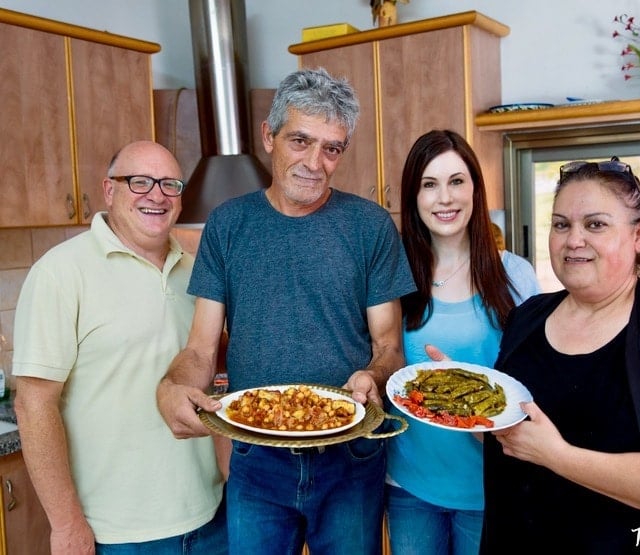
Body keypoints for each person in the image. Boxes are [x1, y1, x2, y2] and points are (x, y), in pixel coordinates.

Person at [155, 67, 416, 555]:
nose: (314, 162)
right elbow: (200, 348)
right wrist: (173, 386)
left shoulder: (371, 227)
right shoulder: (228, 225)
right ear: (268, 136)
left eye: (331, 148)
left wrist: (374, 376)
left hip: (352, 456)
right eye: (300, 140)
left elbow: (388, 345)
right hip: (255, 457)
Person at [462, 157, 640, 553]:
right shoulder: (528, 317)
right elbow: (517, 439)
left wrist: (558, 456)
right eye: (561, 224)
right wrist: (466, 408)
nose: (574, 240)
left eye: (595, 224)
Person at [12, 141, 226, 555]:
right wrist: (66, 524)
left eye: (170, 184)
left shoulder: (196, 272)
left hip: (211, 515)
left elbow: (214, 374)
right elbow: (33, 405)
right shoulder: (59, 273)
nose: (157, 195)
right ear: (109, 191)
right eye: (140, 182)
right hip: (116, 532)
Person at [385, 129, 540, 555]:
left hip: (491, 489)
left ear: (475, 188)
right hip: (410, 488)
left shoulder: (515, 275)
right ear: (413, 196)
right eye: (429, 185)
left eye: (457, 181)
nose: (445, 198)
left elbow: (538, 380)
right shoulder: (392, 275)